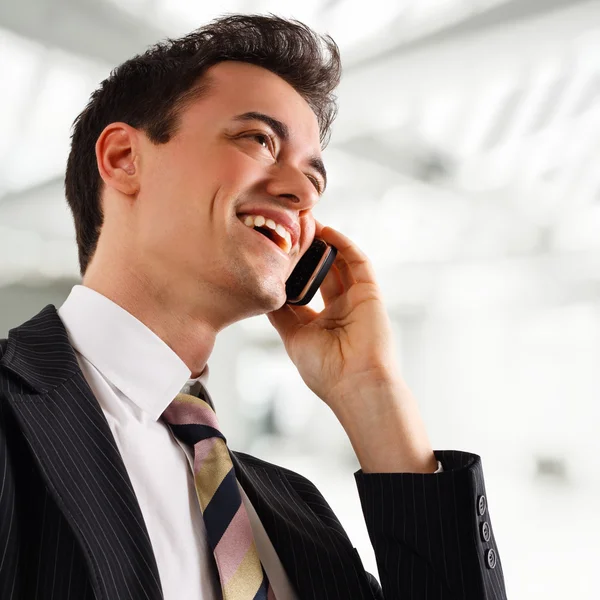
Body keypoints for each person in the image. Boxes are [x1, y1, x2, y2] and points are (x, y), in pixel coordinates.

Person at [0, 14, 507, 600]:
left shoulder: (296, 512)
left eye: (315, 181)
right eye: (259, 140)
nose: (301, 193)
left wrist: (373, 394)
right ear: (122, 158)